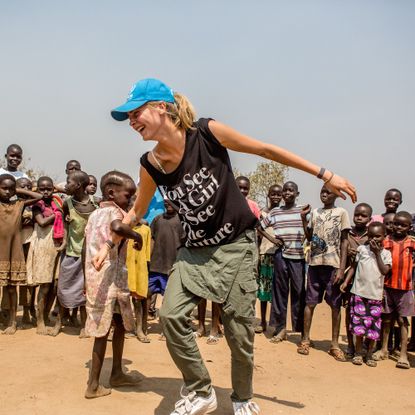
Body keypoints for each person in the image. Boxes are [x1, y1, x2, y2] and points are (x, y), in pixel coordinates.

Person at [93, 78, 356, 415]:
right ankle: (201, 390)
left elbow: (264, 149)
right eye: (127, 116)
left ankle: (243, 397)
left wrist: (325, 173)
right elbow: (137, 211)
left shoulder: (206, 133)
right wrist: (109, 242)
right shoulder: (151, 164)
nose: (131, 121)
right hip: (194, 251)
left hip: (237, 246)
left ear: (162, 107)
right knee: (171, 315)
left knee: (238, 332)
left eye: (136, 111)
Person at [84, 170, 143, 399]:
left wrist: (85, 278)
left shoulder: (94, 214)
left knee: (118, 323)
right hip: (108, 280)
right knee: (103, 330)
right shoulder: (113, 212)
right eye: (128, 195)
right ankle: (93, 385)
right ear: (111, 192)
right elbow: (118, 228)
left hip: (101, 278)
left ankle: (117, 372)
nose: (130, 200)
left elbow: (84, 249)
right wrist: (136, 237)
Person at [297, 185, 351, 361]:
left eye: (328, 192)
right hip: (314, 264)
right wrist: (304, 219)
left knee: (335, 305)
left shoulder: (342, 213)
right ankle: (305, 339)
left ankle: (334, 344)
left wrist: (342, 268)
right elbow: (309, 236)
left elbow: (344, 242)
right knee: (310, 303)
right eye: (322, 191)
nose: (324, 194)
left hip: (333, 265)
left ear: (336, 195)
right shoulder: (315, 212)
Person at [51, 171, 98, 337]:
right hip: (72, 252)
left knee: (87, 291)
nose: (66, 185)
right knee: (64, 288)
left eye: (68, 182)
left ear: (78, 185)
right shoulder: (67, 204)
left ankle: (85, 325)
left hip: (91, 255)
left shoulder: (96, 204)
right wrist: (63, 241)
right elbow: (65, 224)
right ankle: (59, 323)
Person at [340, 222, 391, 367]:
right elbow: (354, 267)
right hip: (359, 294)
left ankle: (369, 354)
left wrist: (377, 253)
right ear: (367, 236)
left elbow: (384, 271)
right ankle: (358, 353)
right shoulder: (362, 249)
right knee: (359, 325)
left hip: (375, 296)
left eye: (378, 236)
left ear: (384, 237)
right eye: (371, 236)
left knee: (372, 327)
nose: (374, 239)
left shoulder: (386, 254)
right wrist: (346, 282)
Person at [261, 181, 306, 343]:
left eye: (290, 190)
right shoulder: (275, 212)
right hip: (281, 256)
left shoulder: (302, 210)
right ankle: (281, 329)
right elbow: (259, 227)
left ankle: (302, 333)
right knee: (279, 294)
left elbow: (310, 231)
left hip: (299, 258)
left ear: (297, 193)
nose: (287, 193)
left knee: (299, 293)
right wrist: (272, 239)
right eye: (285, 190)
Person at [373, 211, 415, 369]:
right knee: (386, 319)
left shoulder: (411, 242)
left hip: (405, 288)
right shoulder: (386, 241)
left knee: (403, 321)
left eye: (403, 225)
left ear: (409, 227)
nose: (398, 227)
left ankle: (403, 354)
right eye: (396, 223)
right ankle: (384, 349)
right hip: (387, 286)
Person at [0, 174, 41, 334]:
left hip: (13, 251)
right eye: (4, 188)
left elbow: (38, 197)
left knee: (11, 289)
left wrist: (15, 188)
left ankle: (12, 322)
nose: (8, 192)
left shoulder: (19, 204)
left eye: (11, 189)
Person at [26, 176, 65, 335]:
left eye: (49, 188)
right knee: (44, 285)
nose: (46, 192)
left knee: (54, 286)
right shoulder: (37, 205)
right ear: (37, 190)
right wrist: (57, 215)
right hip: (43, 244)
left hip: (56, 244)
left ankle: (46, 314)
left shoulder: (57, 202)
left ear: (53, 188)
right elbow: (41, 222)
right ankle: (40, 320)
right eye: (42, 189)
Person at [340, 202, 372, 358]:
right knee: (349, 312)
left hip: (367, 282)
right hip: (349, 278)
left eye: (363, 215)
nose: (359, 217)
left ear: (369, 218)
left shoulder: (372, 235)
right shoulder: (347, 233)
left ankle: (365, 346)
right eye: (357, 214)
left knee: (366, 314)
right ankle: (351, 346)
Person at [255, 184, 282, 334]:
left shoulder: (284, 213)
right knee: (264, 291)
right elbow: (258, 230)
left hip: (280, 255)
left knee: (277, 292)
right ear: (268, 195)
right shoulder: (263, 213)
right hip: (265, 254)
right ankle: (263, 322)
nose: (276, 197)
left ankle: (277, 324)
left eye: (279, 194)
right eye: (273, 194)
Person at [126, 212, 152, 343]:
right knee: (123, 299)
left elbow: (147, 254)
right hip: (125, 267)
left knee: (139, 299)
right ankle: (126, 327)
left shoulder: (146, 229)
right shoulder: (124, 228)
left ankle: (140, 328)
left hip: (140, 268)